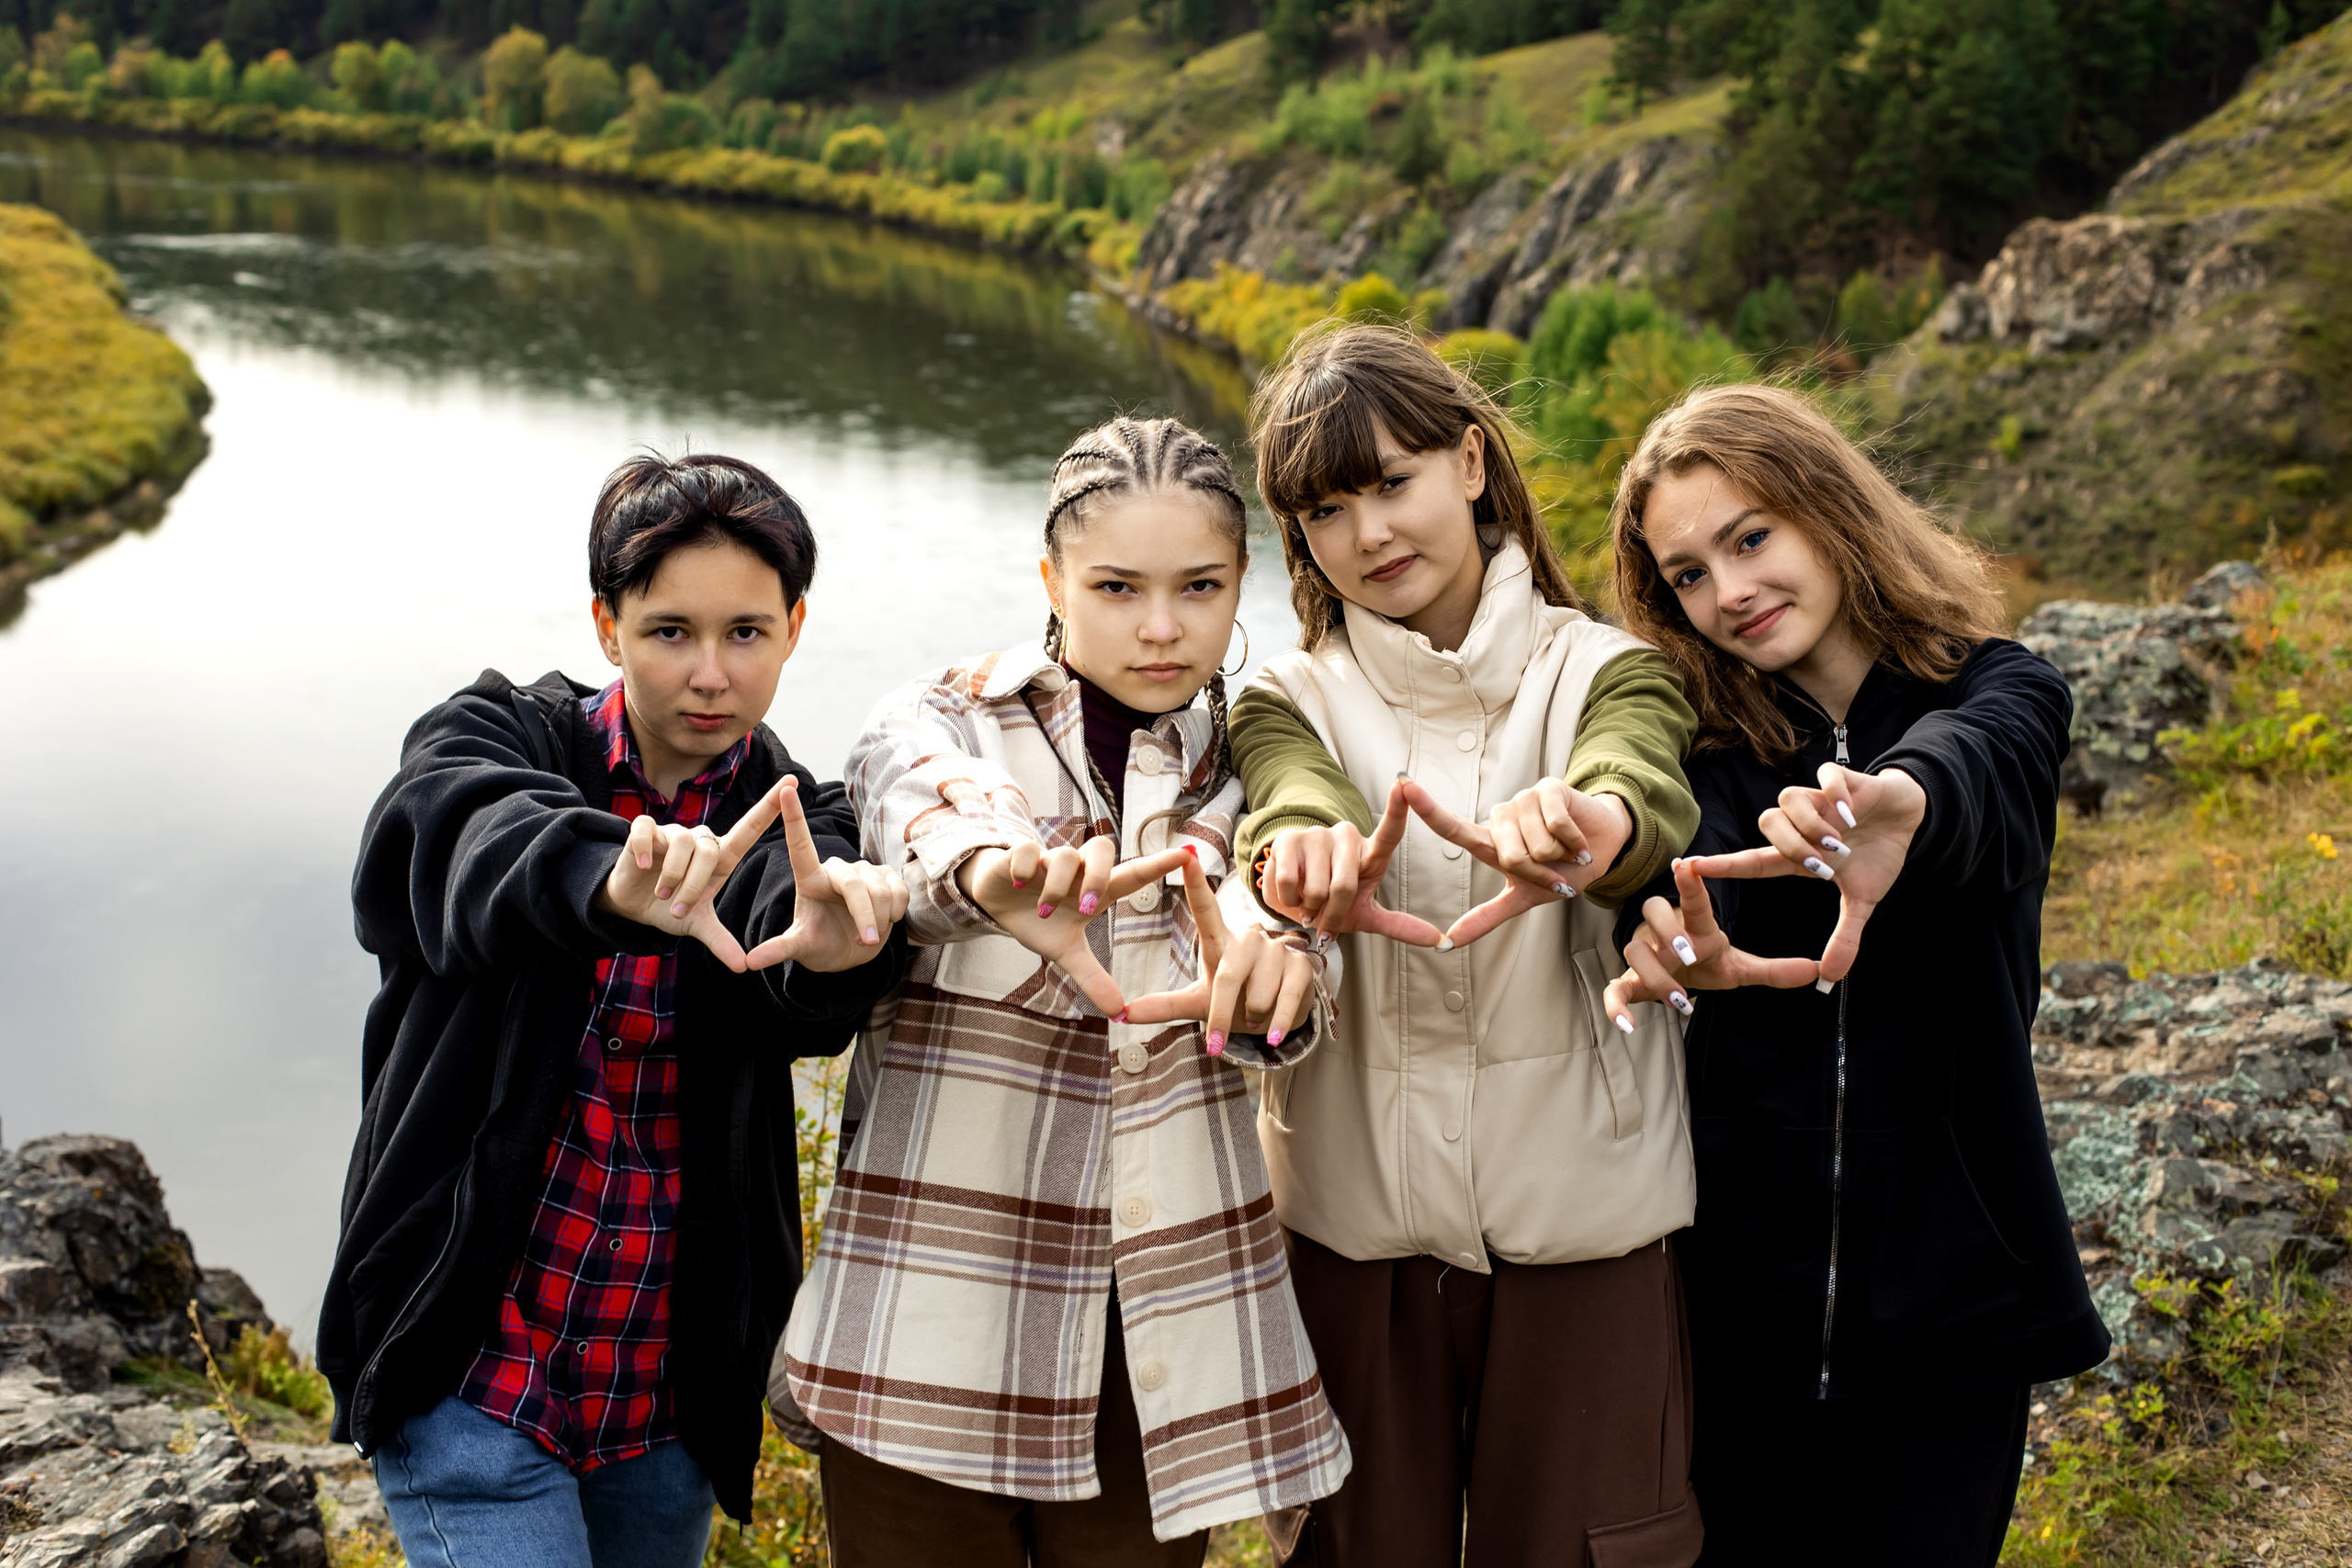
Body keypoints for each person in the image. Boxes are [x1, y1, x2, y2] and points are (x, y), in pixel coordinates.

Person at [775, 416, 1355, 1566]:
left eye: (1199, 587)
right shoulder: (941, 718)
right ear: (1050, 579)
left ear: (1242, 585)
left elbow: (1282, 916)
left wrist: (1279, 969)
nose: (1159, 626)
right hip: (928, 1328)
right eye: (1116, 586)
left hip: (1154, 1350)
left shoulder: (1253, 766)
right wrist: (1004, 877)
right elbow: (931, 814)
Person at [319, 453, 912, 1568]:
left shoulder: (795, 816)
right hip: (470, 1369)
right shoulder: (496, 739)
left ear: (793, 628)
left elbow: (804, 945)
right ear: (608, 626)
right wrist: (606, 877)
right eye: (668, 631)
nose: (709, 674)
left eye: (745, 632)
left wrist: (836, 953)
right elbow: (446, 840)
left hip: (661, 1394)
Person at [1598, 383, 2110, 1567]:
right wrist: (1664, 943)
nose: (1728, 592)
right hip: (1735, 1300)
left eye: (1749, 537)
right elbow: (1668, 893)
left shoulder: (2001, 689)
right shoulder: (1698, 744)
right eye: (1686, 574)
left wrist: (1899, 805)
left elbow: (1975, 770)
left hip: (1954, 1293)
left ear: (1827, 509)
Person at [1224, 322, 1706, 1567]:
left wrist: (1591, 823)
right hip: (1349, 1236)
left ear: (1474, 463)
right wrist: (1298, 863)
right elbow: (1284, 808)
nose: (1371, 532)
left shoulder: (1609, 669)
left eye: (1394, 482)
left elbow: (1638, 785)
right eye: (1329, 508)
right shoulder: (1287, 696)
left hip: (1585, 1230)